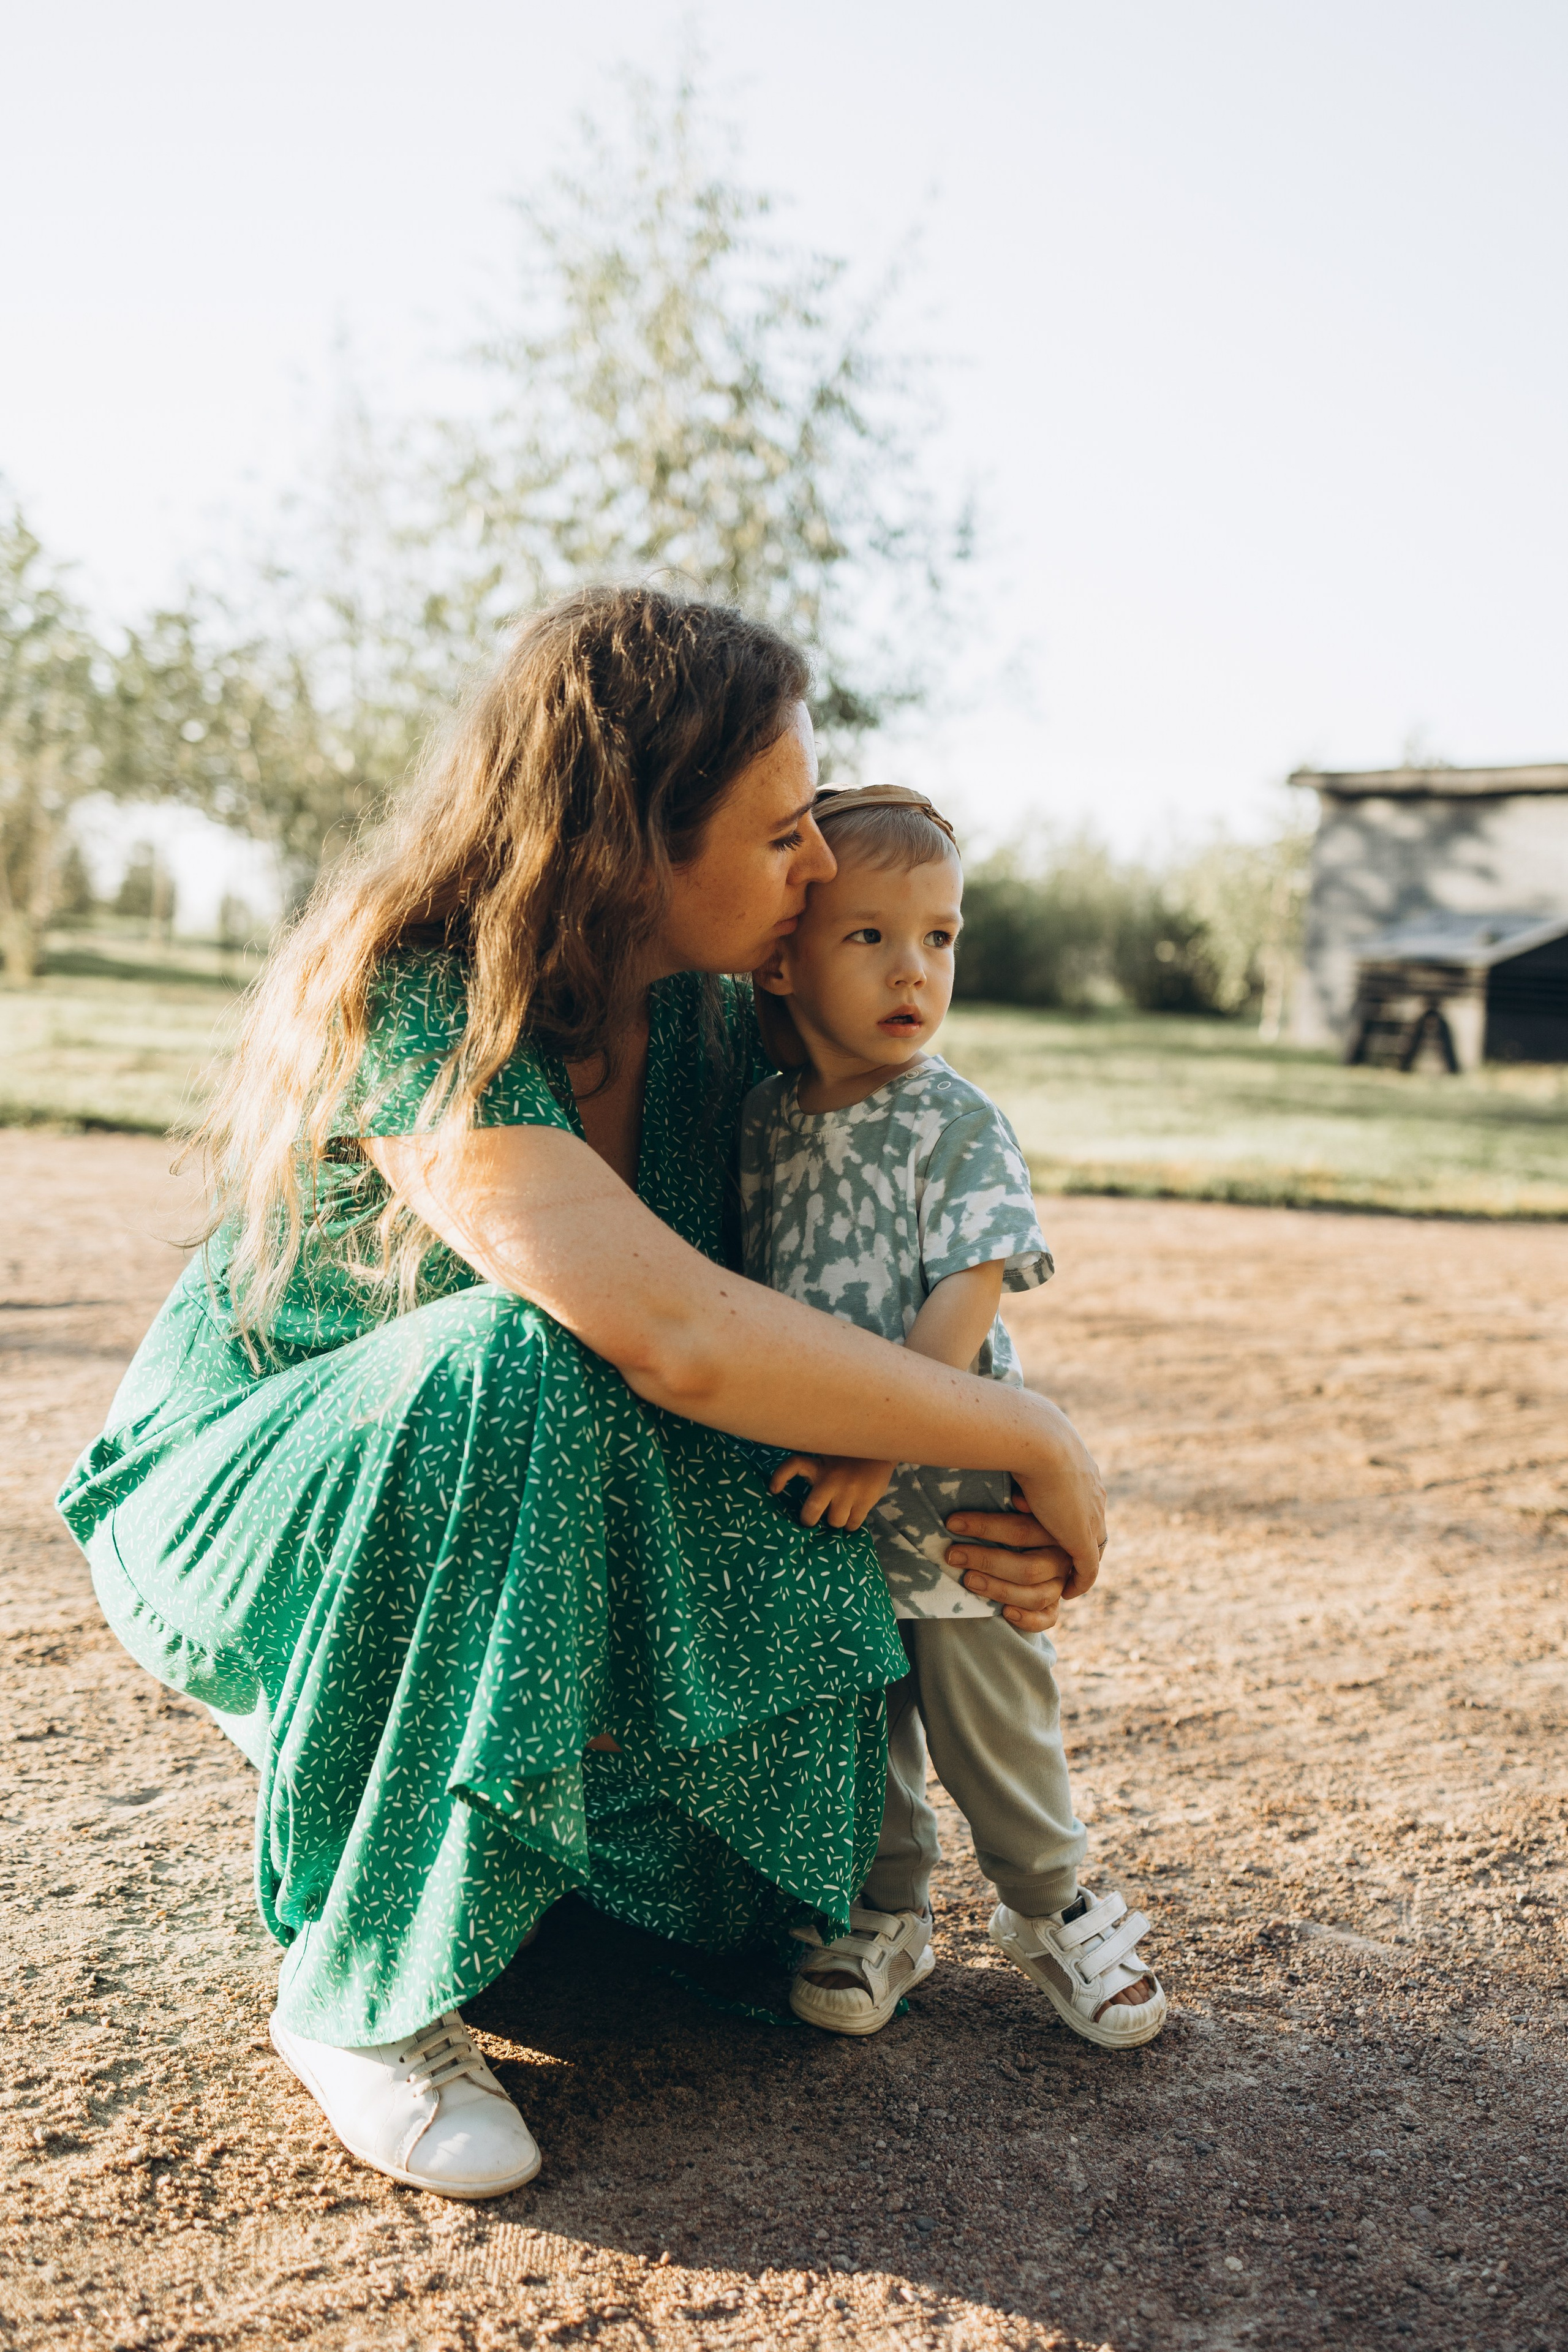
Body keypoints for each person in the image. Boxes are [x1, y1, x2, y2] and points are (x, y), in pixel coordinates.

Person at [58, 589, 1106, 2203]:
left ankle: (526, 1820)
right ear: (628, 844)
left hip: (531, 1469)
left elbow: (838, 1316)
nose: (821, 866)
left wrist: (974, 1513)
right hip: (262, 1489)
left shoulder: (711, 1014)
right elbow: (671, 1334)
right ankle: (360, 2001)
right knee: (522, 1352)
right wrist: (1033, 1439)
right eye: (777, 837)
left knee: (808, 1635)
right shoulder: (417, 996)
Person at [741, 783, 1165, 2046]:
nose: (911, 968)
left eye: (939, 937)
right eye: (868, 936)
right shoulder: (760, 1124)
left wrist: (880, 1436)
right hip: (821, 1504)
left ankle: (1052, 1907)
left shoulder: (952, 1119)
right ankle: (885, 1918)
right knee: (859, 1730)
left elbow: (965, 1299)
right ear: (781, 958)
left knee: (992, 1729)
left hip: (950, 1500)